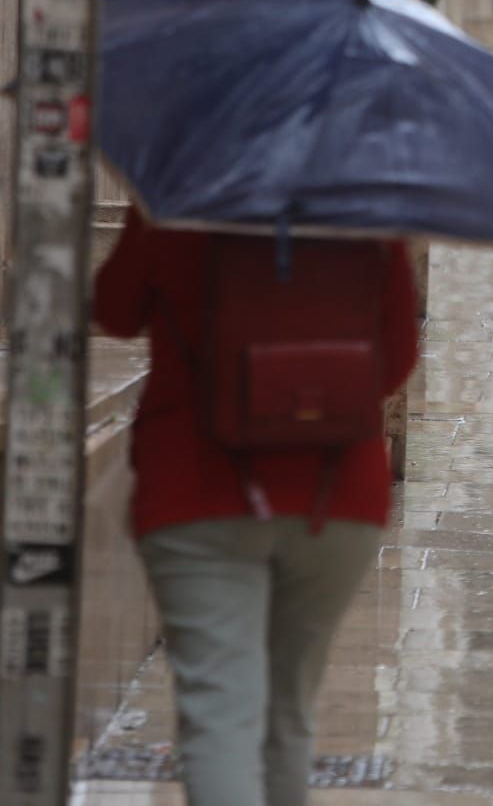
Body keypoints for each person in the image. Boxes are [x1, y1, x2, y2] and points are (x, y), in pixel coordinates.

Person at [93, 211, 419, 806]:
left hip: (197, 492)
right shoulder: (365, 214)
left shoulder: (180, 199)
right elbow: (395, 361)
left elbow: (113, 310)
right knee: (287, 712)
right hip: (334, 493)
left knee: (219, 711)